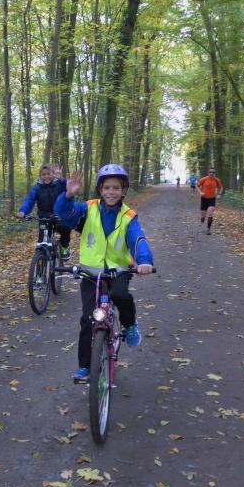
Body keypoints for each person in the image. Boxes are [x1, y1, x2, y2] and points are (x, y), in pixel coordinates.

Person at [54, 164, 154, 383]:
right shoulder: (88, 208)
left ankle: (129, 324)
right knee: (87, 319)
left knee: (120, 295)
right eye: (107, 187)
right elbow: (65, 215)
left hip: (119, 270)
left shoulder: (128, 216)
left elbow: (138, 239)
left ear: (123, 191)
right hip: (90, 272)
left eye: (116, 188)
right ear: (100, 189)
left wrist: (144, 261)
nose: (111, 192)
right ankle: (85, 366)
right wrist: (68, 196)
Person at [16, 163, 72, 259]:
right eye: (43, 174)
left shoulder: (59, 184)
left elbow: (68, 189)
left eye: (49, 174)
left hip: (59, 215)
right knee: (42, 241)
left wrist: (61, 179)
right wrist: (23, 211)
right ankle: (40, 259)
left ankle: (64, 247)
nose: (46, 176)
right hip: (44, 217)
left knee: (65, 228)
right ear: (40, 175)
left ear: (53, 174)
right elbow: (29, 200)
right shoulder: (37, 188)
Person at [197, 168, 223, 235]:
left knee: (210, 213)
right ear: (208, 173)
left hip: (212, 199)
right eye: (210, 172)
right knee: (203, 215)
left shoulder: (217, 180)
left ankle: (208, 229)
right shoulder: (204, 179)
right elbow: (197, 186)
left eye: (213, 172)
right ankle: (202, 218)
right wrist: (200, 192)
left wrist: (219, 194)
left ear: (215, 173)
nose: (211, 173)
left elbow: (221, 187)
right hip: (204, 198)